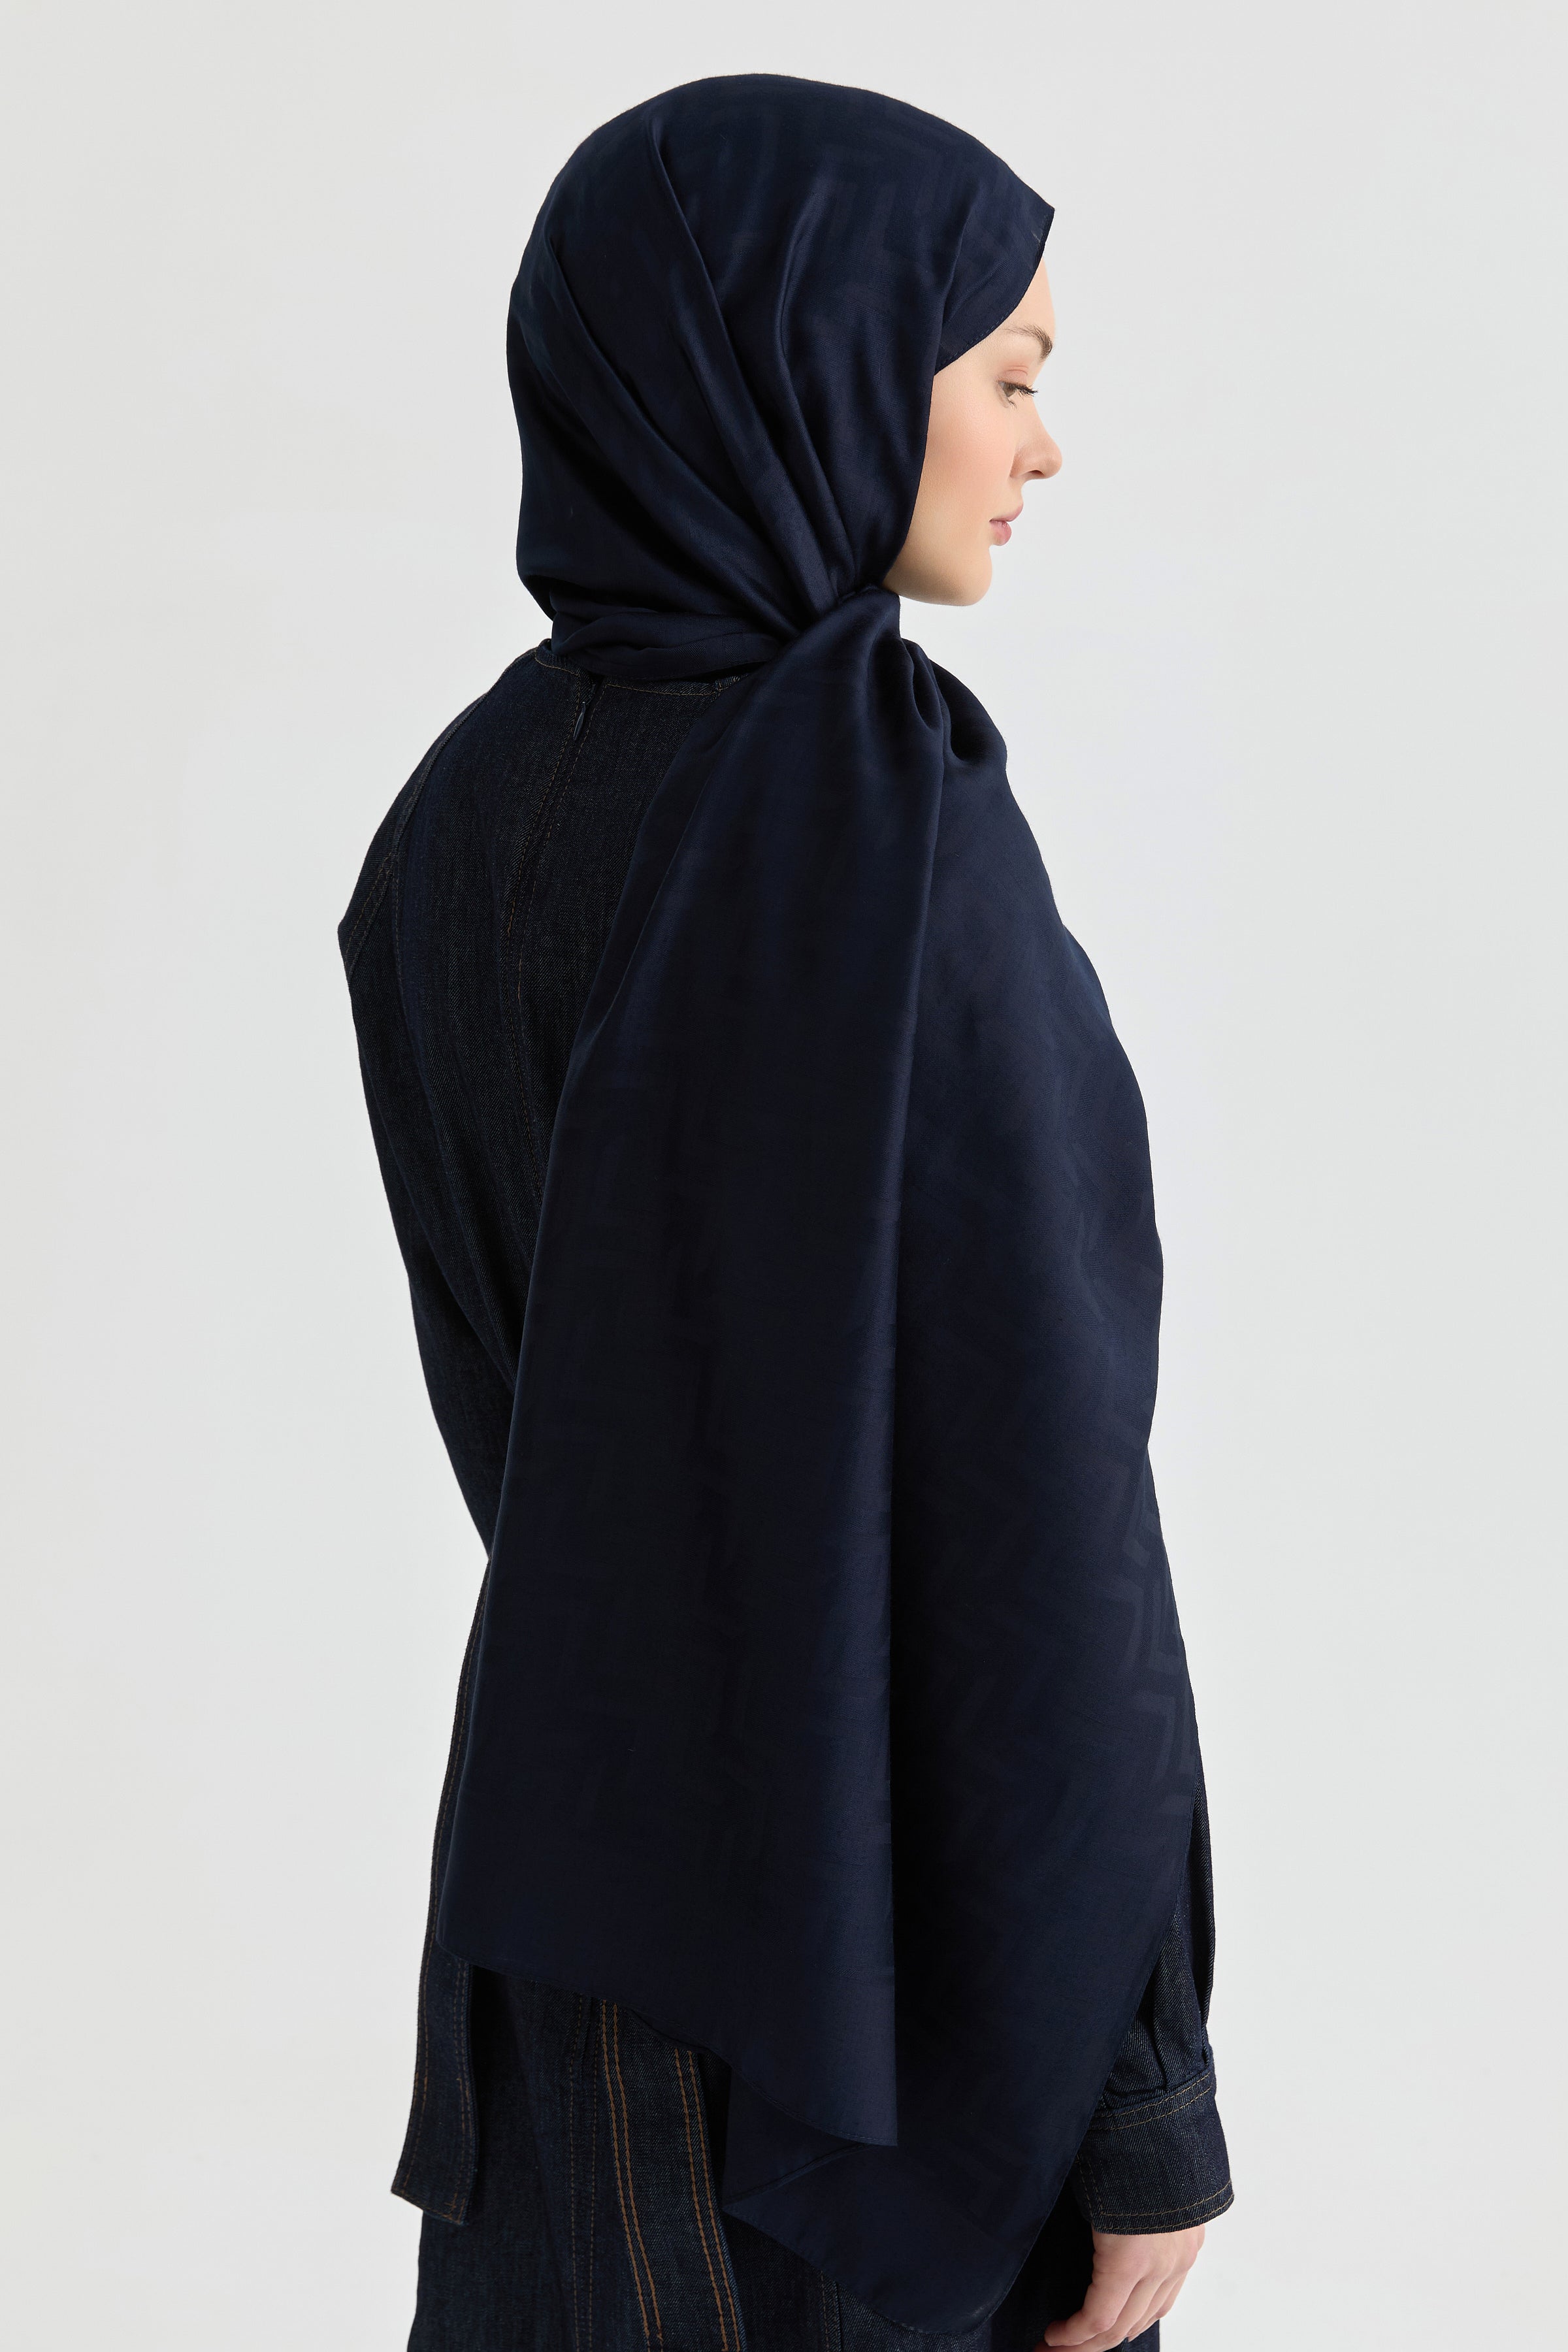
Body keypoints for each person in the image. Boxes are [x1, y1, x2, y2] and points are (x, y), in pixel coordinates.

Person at [340, 75, 1232, 2352]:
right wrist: (1147, 2090)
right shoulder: (881, 830)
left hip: (553, 1957)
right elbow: (1039, 1502)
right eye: (1009, 374)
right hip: (877, 2007)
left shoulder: (449, 829)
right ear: (820, 363)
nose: (1044, 447)